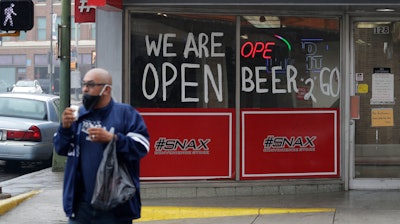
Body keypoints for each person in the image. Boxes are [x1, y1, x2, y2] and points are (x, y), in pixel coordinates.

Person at [53, 68, 150, 224]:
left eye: (91, 85)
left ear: (107, 89)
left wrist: (113, 139)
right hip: (80, 207)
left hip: (115, 205)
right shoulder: (77, 115)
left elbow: (142, 147)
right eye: (84, 84)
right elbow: (60, 148)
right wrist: (64, 128)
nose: (85, 89)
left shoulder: (125, 114)